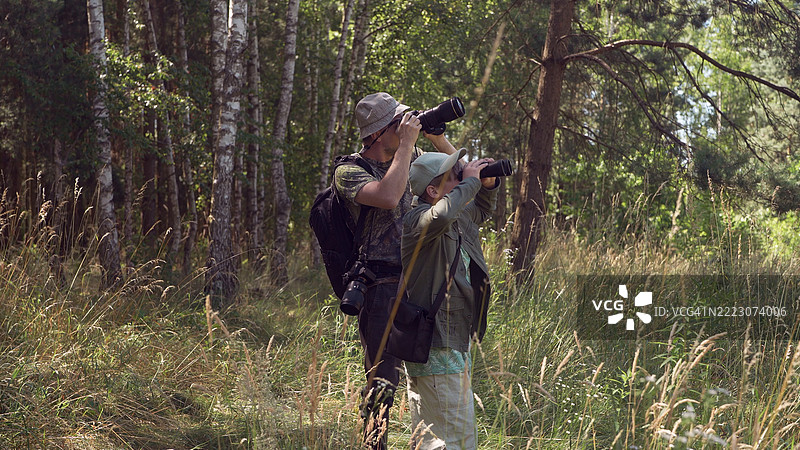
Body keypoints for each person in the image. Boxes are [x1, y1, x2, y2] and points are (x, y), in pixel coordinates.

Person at [334, 92, 458, 449]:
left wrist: (436, 138)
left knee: (434, 373)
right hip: (381, 287)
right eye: (398, 123)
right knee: (383, 382)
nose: (406, 127)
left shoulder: (411, 157)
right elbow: (388, 196)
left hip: (420, 282)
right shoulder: (349, 172)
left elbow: (460, 177)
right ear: (377, 133)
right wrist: (406, 145)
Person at [401, 150, 498, 449]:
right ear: (433, 191)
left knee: (432, 439)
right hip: (436, 346)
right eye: (455, 175)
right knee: (455, 440)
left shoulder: (455, 217)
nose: (462, 177)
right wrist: (471, 183)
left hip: (450, 341)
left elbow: (480, 210)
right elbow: (441, 215)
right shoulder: (418, 220)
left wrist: (486, 185)